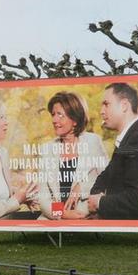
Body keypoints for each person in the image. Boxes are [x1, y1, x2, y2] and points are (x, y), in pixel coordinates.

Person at [37, 92, 109, 220]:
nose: (54, 120)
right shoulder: (46, 149)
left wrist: (81, 187)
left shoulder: (93, 142)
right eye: (53, 114)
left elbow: (107, 180)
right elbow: (43, 197)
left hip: (87, 213)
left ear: (75, 120)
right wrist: (62, 214)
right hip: (54, 217)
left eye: (60, 115)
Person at [88, 83, 138, 220]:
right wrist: (95, 197)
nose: (101, 111)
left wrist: (99, 202)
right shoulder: (127, 139)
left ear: (124, 106)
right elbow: (104, 177)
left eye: (106, 104)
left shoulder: (137, 138)